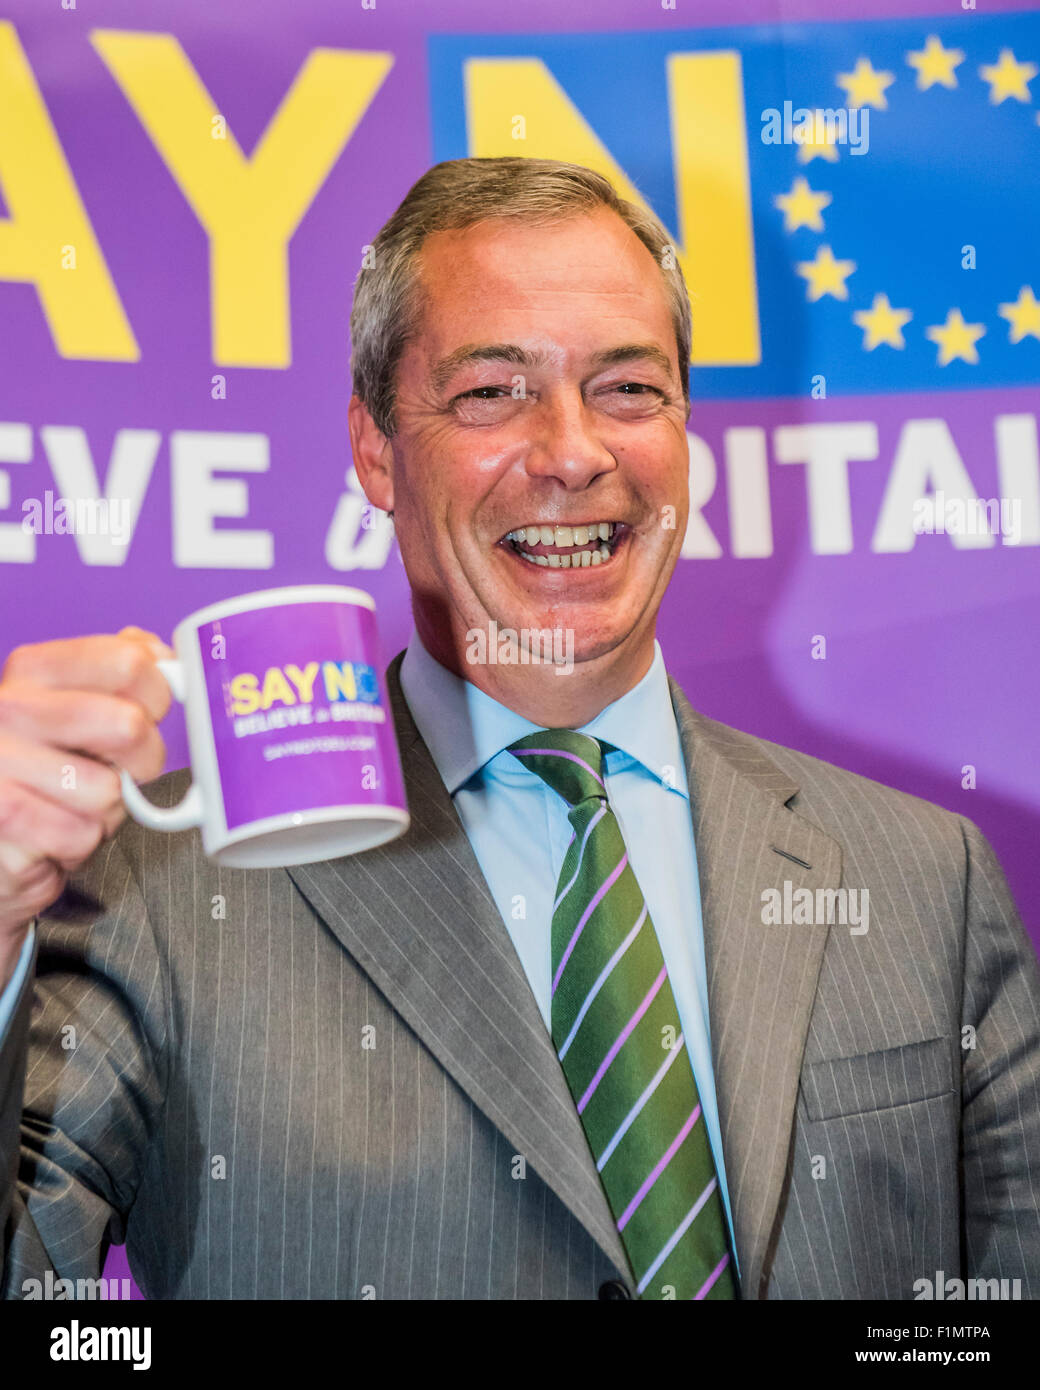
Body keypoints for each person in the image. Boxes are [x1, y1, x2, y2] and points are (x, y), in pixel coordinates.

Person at [1, 158, 1038, 1301]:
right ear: (375, 451)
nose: (572, 451)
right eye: (492, 391)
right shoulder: (146, 884)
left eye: (627, 388)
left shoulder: (923, 878)